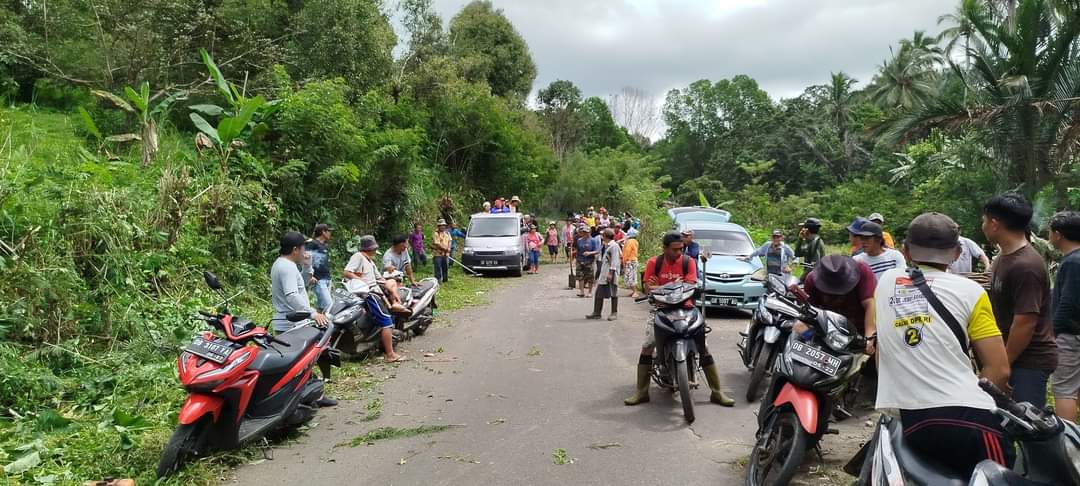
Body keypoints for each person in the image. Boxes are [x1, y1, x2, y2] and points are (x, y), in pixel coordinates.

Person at [874, 212, 1013, 477]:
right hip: (969, 417)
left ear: (905, 250)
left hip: (911, 418)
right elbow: (999, 368)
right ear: (957, 252)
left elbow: (883, 349)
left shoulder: (885, 284)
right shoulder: (971, 292)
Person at [625, 231, 735, 407]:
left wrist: (660, 286)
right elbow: (648, 288)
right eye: (675, 249)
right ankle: (642, 391)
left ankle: (717, 392)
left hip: (687, 308)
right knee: (647, 347)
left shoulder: (688, 262)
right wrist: (665, 286)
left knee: (704, 347)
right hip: (660, 310)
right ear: (665, 248)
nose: (679, 253)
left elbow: (690, 285)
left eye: (681, 249)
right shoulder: (655, 262)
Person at [982, 192, 1057, 409]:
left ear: (995, 224)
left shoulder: (1026, 265)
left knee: (1027, 427)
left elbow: (1025, 323)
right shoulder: (1002, 258)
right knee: (1004, 424)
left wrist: (1002, 365)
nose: (983, 225)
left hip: (1028, 360)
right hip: (1012, 357)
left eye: (985, 220)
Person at [343, 236, 406, 362]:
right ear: (371, 249)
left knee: (392, 283)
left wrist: (390, 284)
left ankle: (395, 302)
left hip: (375, 290)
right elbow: (347, 272)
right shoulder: (358, 256)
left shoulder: (370, 262)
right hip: (368, 293)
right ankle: (390, 355)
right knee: (386, 321)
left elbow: (379, 278)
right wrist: (362, 282)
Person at [804, 255, 877, 352]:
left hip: (862, 328)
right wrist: (807, 336)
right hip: (831, 334)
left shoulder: (862, 271)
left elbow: (870, 304)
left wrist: (869, 338)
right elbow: (809, 314)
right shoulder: (811, 281)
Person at [1049, 211, 1080, 421]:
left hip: (1070, 334)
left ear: (1058, 234)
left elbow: (1067, 303)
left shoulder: (1072, 262)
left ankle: (1068, 441)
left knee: (1064, 390)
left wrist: (1054, 331)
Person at [271, 231, 330, 333]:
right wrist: (312, 313)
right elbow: (292, 295)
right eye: (303, 248)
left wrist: (307, 266)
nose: (305, 251)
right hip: (292, 325)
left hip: (291, 323)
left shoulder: (282, 263)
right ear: (295, 250)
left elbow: (301, 285)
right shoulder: (287, 267)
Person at [587, 228, 622, 321]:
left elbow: (614, 261)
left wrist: (611, 273)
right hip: (604, 273)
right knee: (599, 293)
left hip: (610, 273)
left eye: (603, 235)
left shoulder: (614, 246)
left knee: (613, 292)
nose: (602, 237)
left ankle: (614, 313)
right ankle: (597, 312)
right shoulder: (606, 245)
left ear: (606, 236)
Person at [305, 224, 333, 312]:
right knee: (329, 306)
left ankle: (319, 324)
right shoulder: (312, 243)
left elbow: (325, 264)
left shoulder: (325, 246)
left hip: (326, 279)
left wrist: (330, 279)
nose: (330, 233)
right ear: (323, 232)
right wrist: (309, 276)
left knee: (322, 308)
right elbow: (305, 259)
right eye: (328, 231)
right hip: (318, 279)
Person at [574, 225, 599, 297]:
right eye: (584, 232)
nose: (585, 233)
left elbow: (597, 251)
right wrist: (574, 252)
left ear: (589, 232)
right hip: (580, 260)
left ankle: (590, 292)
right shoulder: (579, 240)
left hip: (589, 260)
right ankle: (581, 292)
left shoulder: (593, 240)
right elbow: (577, 250)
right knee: (580, 276)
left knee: (590, 276)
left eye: (586, 232)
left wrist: (589, 253)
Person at [622, 228, 641, 299]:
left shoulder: (629, 241)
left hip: (630, 261)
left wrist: (624, 261)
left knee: (630, 277)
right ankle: (634, 291)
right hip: (634, 260)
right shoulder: (635, 241)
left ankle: (635, 291)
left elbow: (627, 252)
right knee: (633, 276)